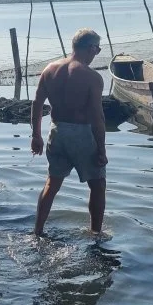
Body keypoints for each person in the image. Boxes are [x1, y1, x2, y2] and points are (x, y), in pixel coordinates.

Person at [30, 28, 107, 236]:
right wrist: (101, 149)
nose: (96, 54)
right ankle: (96, 235)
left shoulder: (50, 69)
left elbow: (37, 103)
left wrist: (36, 135)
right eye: (97, 49)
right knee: (98, 185)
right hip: (82, 134)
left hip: (56, 132)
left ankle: (37, 231)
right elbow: (98, 117)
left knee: (52, 182)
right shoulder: (92, 77)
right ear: (90, 48)